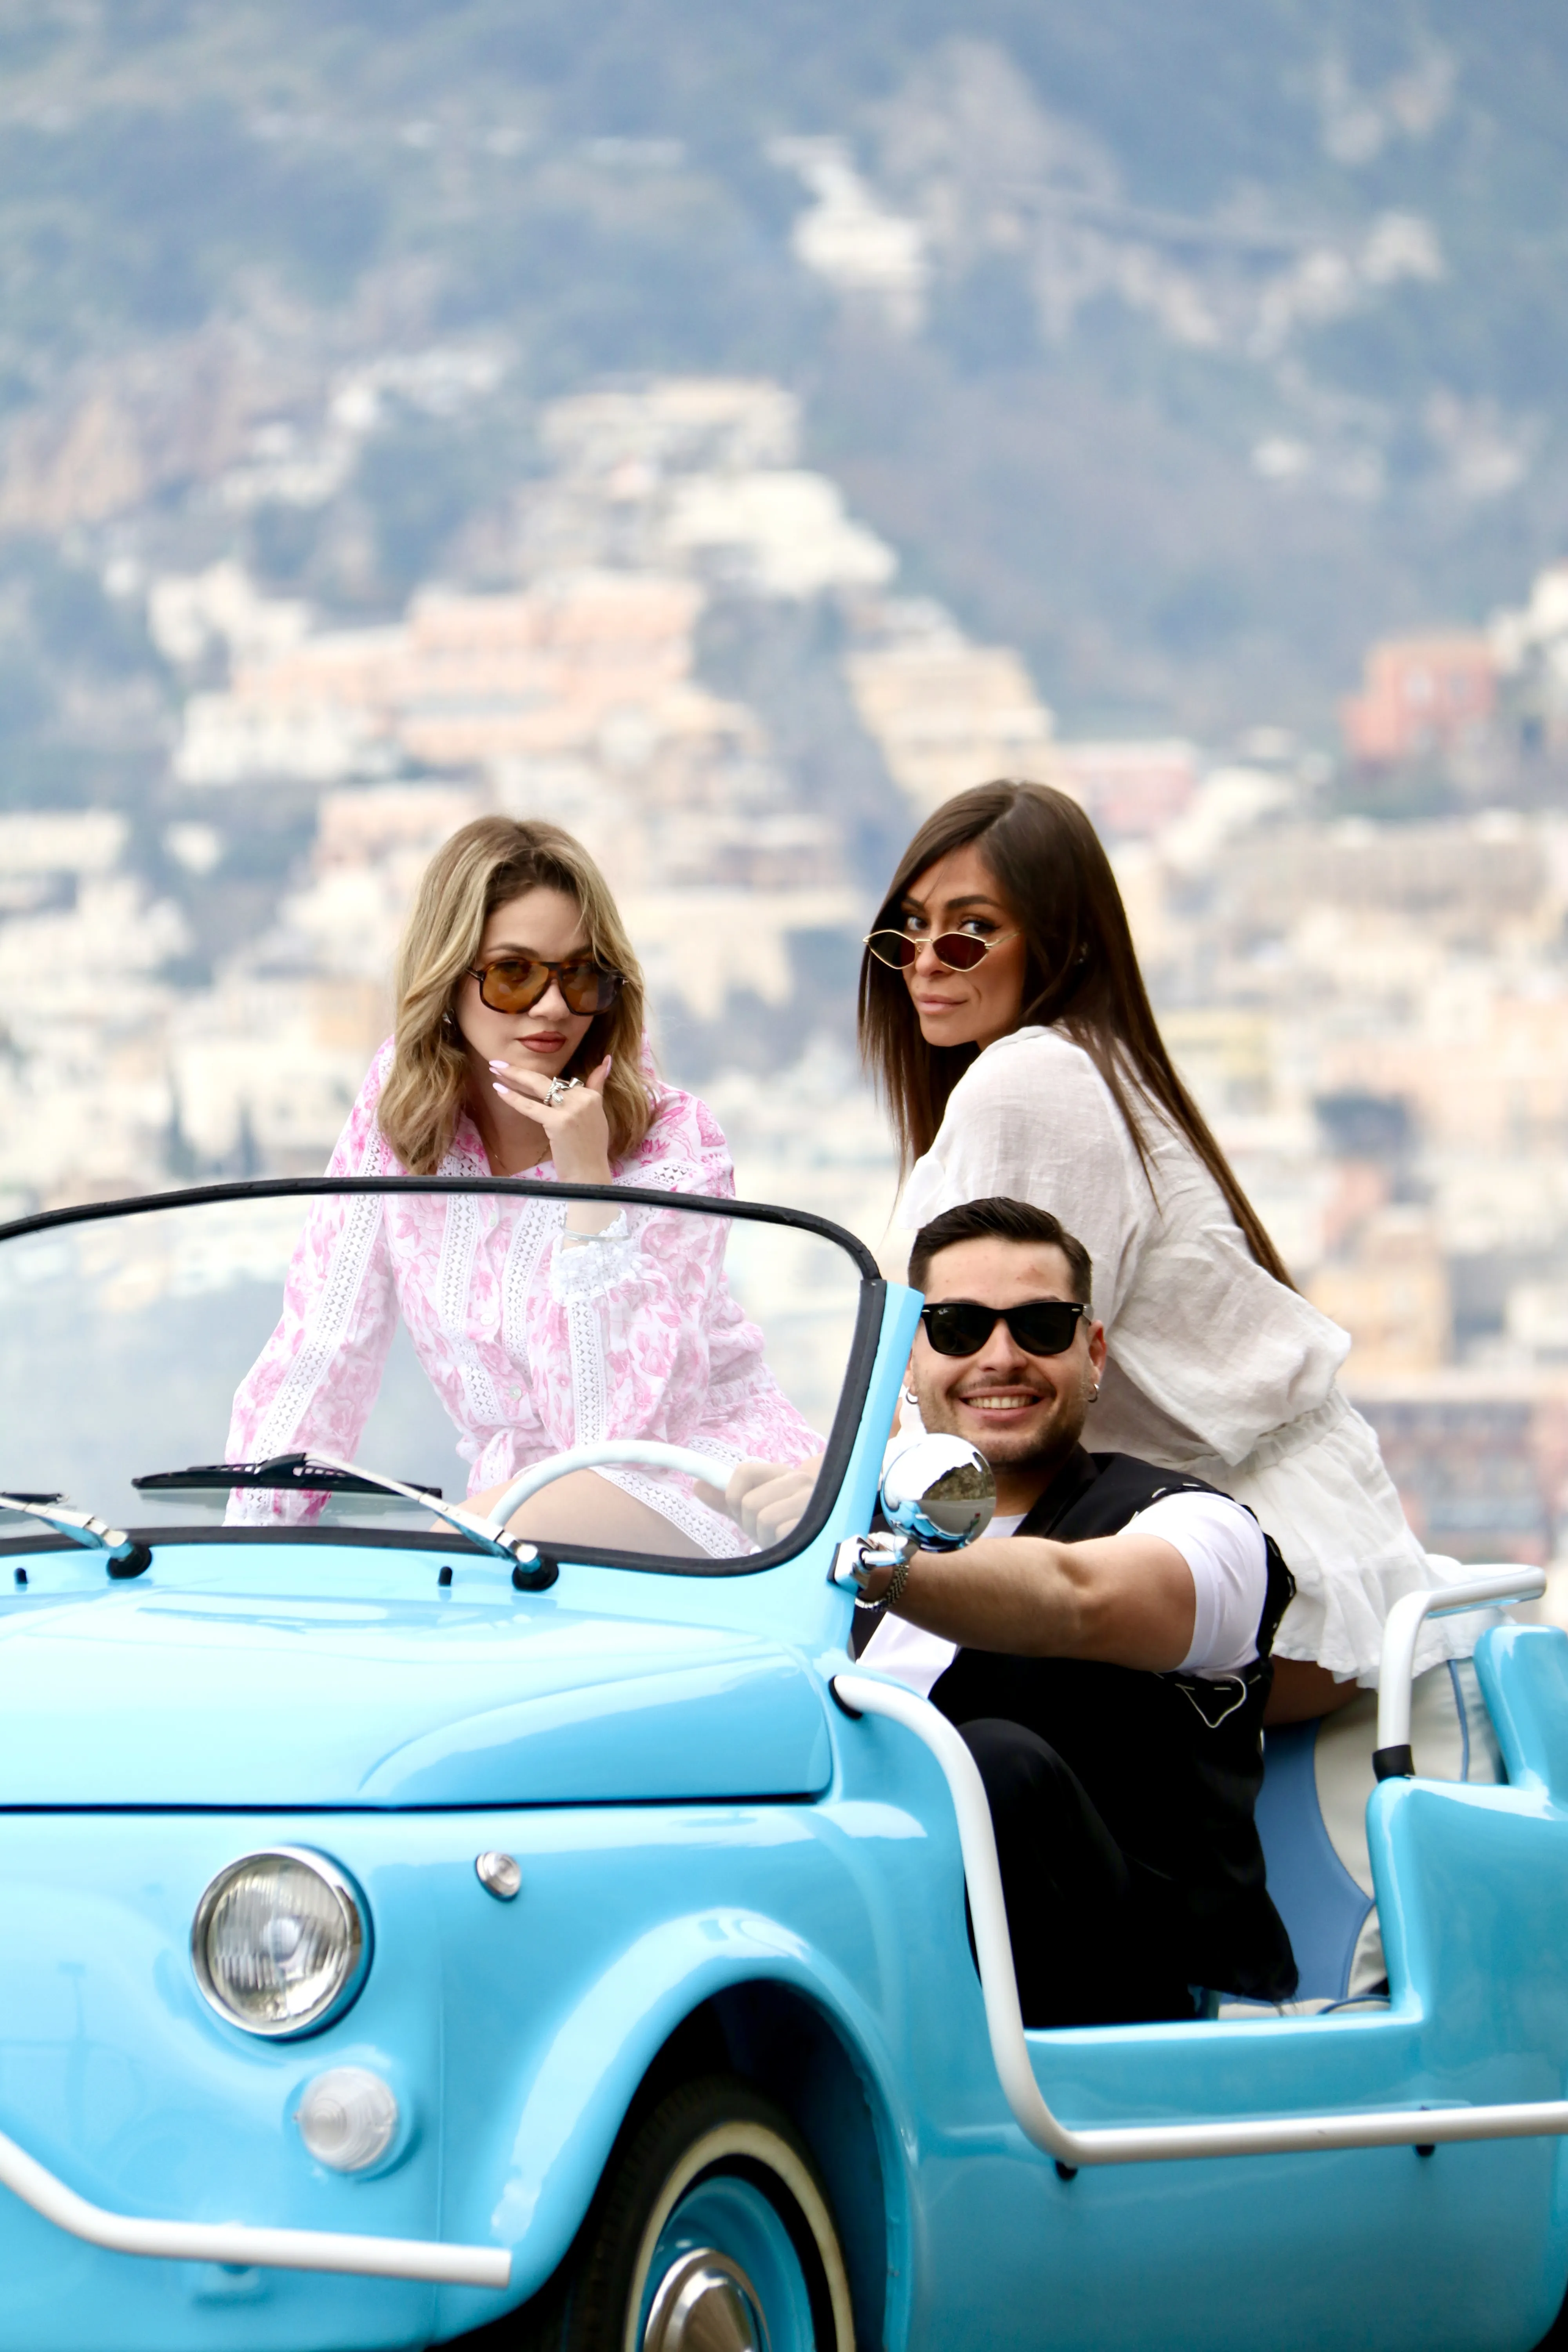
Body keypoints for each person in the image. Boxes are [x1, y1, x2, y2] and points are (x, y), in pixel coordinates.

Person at [856, 781, 1499, 1989]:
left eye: (970, 932)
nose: (928, 962)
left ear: (1059, 939)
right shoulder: (1066, 1071)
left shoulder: (1031, 1081)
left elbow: (991, 1375)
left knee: (939, 1720)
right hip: (1244, 1544)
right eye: (908, 932)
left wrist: (836, 1532)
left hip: (1251, 1563)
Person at [724, 1196, 1298, 2027]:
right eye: (958, 1328)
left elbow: (1075, 1596)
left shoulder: (1197, 1526)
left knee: (990, 1764)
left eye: (1040, 1326)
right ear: (911, 1360)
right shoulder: (843, 1524)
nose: (1000, 1358)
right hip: (850, 1976)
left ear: (1091, 1354)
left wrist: (865, 1560)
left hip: (1130, 2004)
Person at [226, 815, 820, 1557]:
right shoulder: (401, 1112)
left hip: (702, 1485)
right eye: (514, 973)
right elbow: (323, 1339)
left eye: (580, 975)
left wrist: (588, 1181)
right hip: (519, 1513)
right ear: (448, 977)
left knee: (440, 1556)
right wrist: (249, 1545)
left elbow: (615, 1439)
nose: (553, 1007)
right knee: (427, 1560)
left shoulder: (675, 1139)